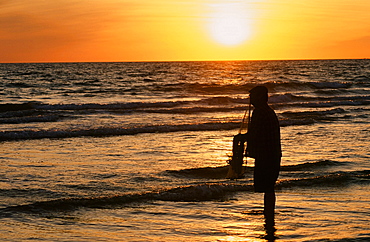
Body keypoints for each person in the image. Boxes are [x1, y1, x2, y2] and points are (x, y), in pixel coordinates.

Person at [236, 85, 282, 229]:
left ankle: (269, 217)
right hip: (273, 155)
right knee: (269, 188)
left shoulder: (259, 113)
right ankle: (269, 214)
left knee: (268, 187)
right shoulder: (268, 111)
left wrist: (240, 139)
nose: (250, 100)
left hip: (266, 156)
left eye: (253, 96)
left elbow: (254, 134)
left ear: (260, 97)